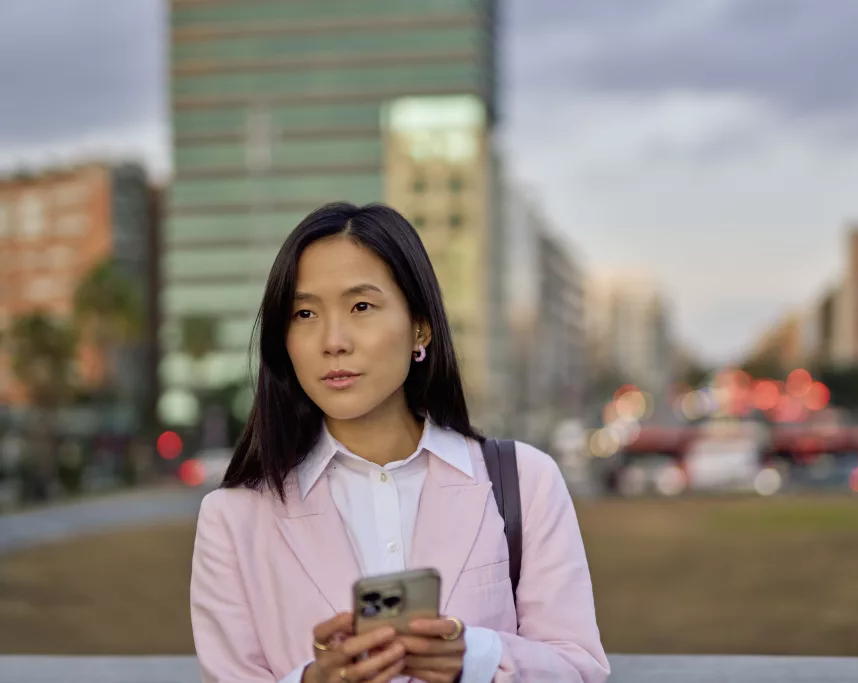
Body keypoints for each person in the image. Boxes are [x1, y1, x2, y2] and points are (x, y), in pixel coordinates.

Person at [190, 203, 610, 683]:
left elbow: (580, 670)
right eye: (304, 313)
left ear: (420, 326)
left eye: (361, 306)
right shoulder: (233, 519)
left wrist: (476, 657)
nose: (333, 341)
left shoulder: (523, 481)